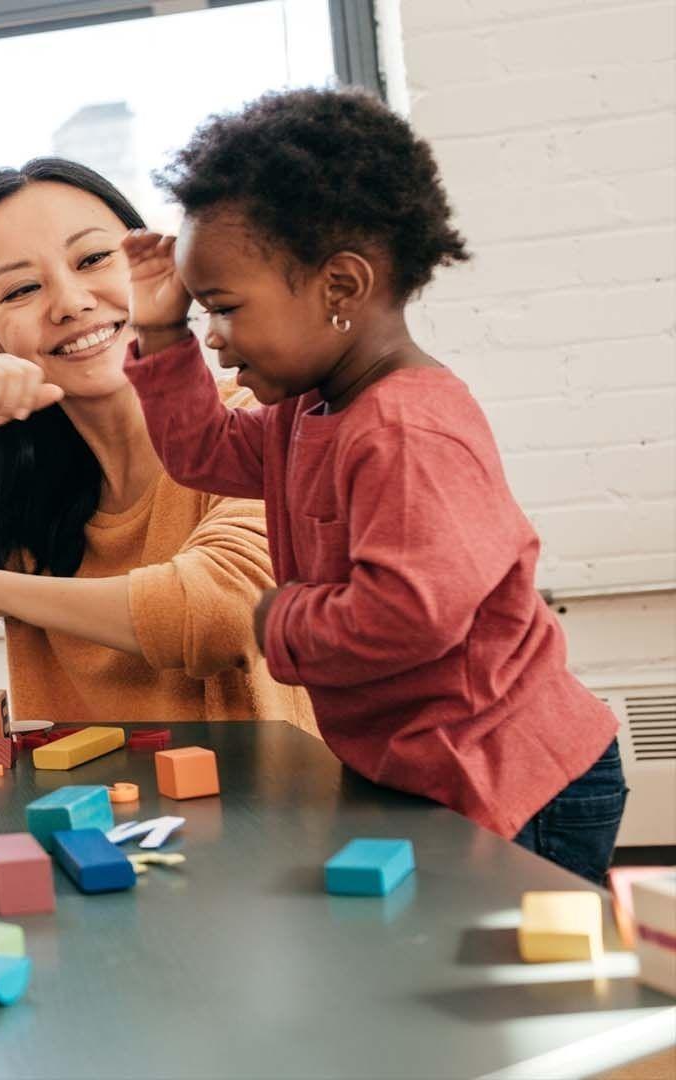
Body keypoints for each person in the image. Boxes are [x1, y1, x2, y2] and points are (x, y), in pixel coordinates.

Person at [122, 87, 623, 882]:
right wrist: (158, 329)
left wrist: (274, 617)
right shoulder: (310, 409)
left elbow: (406, 616)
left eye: (223, 308)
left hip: (513, 781)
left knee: (510, 986)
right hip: (432, 770)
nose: (212, 334)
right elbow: (206, 450)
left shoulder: (405, 431)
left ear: (341, 289)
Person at [0, 158, 312, 729]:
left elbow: (223, 612)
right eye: (22, 289)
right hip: (83, 820)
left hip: (269, 815)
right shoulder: (18, 499)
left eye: (93, 259)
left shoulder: (259, 428)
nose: (70, 302)